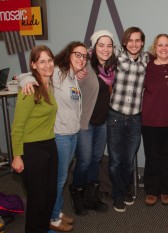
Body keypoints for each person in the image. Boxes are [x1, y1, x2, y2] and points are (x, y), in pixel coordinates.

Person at [18, 41, 89, 232]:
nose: (81, 59)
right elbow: (30, 74)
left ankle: (55, 212)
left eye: (84, 56)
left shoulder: (73, 76)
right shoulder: (57, 72)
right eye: (77, 54)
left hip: (71, 134)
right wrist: (25, 80)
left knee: (58, 179)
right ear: (68, 54)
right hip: (59, 136)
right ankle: (52, 217)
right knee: (57, 180)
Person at [11, 45, 58, 233]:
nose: (47, 65)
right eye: (42, 61)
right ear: (34, 65)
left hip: (49, 144)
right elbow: (17, 127)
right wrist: (16, 156)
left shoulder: (48, 84)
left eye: (49, 60)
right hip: (32, 149)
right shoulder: (29, 90)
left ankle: (42, 228)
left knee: (50, 194)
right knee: (38, 198)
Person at [70, 30, 116, 215]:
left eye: (109, 45)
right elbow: (56, 72)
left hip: (102, 122)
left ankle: (91, 196)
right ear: (94, 47)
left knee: (96, 161)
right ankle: (77, 194)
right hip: (85, 123)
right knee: (84, 161)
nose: (105, 49)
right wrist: (24, 78)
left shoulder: (111, 68)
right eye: (101, 45)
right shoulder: (84, 65)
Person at [107, 27, 149, 212]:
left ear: (142, 42)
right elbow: (91, 55)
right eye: (130, 40)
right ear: (124, 42)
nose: (134, 43)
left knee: (129, 160)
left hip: (135, 119)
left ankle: (124, 190)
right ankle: (117, 195)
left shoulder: (147, 59)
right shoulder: (114, 54)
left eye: (137, 40)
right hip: (115, 116)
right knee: (115, 160)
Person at [142, 34, 168, 206]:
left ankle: (166, 190)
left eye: (167, 45)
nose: (164, 48)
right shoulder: (147, 67)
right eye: (160, 45)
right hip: (151, 120)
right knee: (152, 157)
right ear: (155, 48)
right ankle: (151, 190)